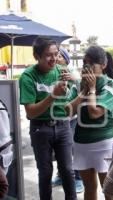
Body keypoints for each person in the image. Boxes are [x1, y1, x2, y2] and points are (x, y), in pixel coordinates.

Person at [19, 37, 77, 200]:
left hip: (63, 125)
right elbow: (30, 113)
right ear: (36, 56)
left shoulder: (61, 71)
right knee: (45, 172)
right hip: (40, 128)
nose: (54, 59)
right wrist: (53, 96)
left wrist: (75, 83)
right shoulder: (28, 77)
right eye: (48, 55)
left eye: (56, 54)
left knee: (67, 169)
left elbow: (70, 96)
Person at [66, 45, 113, 200]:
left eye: (91, 64)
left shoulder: (110, 84)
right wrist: (83, 92)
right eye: (84, 64)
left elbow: (94, 112)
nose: (86, 68)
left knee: (109, 191)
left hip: (104, 144)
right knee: (89, 188)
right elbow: (67, 111)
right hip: (82, 143)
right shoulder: (79, 84)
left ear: (103, 65)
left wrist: (92, 89)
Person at [51, 47, 84, 193]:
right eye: (54, 55)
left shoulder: (72, 73)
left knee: (72, 149)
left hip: (71, 118)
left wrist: (74, 79)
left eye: (59, 56)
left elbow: (82, 90)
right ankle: (61, 175)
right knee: (60, 150)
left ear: (66, 58)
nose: (56, 58)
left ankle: (78, 179)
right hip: (58, 116)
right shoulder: (56, 72)